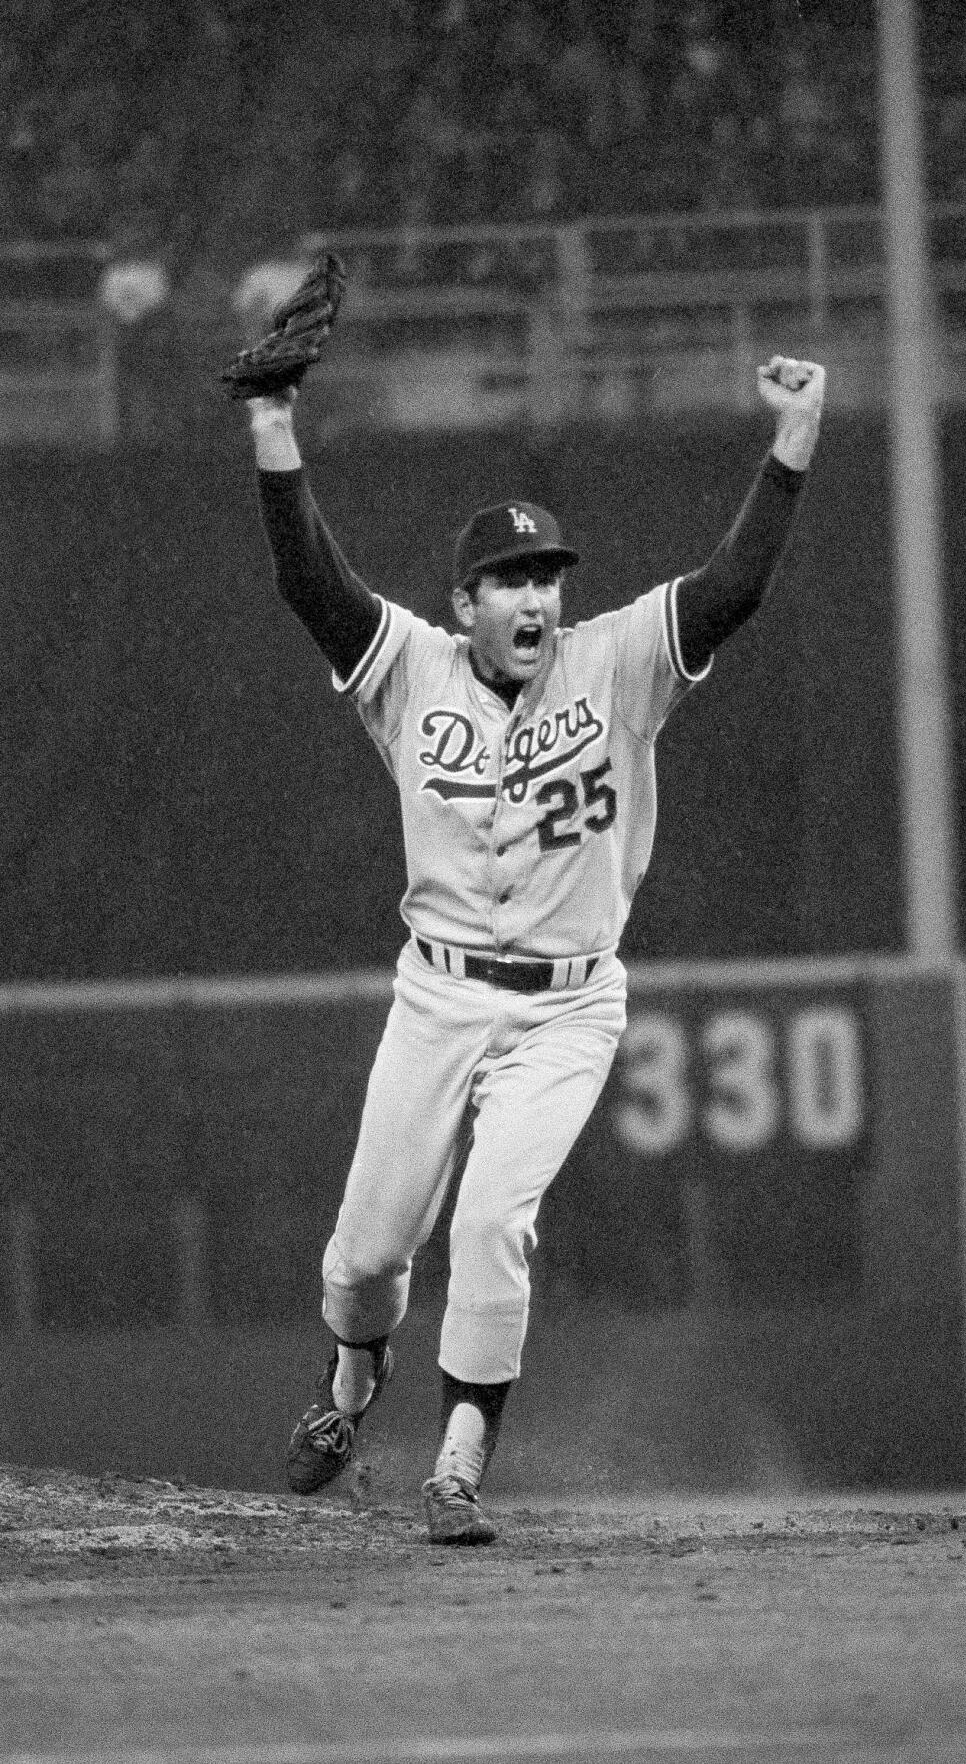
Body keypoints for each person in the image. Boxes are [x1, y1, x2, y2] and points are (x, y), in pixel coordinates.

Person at [243, 354, 825, 1543]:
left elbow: (735, 586)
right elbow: (312, 579)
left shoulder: (617, 661)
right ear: (465, 603)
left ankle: (457, 1465)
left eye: (546, 578)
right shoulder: (410, 669)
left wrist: (794, 438)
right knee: (362, 1260)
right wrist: (272, 425)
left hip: (568, 1009)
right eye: (507, 579)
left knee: (493, 1218)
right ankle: (354, 1384)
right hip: (438, 995)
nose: (534, 598)